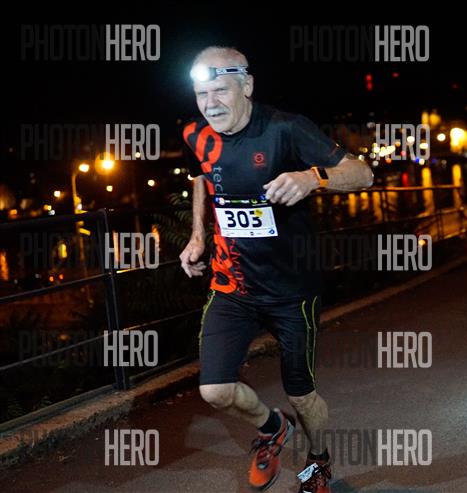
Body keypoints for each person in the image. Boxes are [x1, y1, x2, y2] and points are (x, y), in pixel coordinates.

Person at [179, 46, 373, 492]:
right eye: (201, 94)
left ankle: (318, 461)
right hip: (232, 285)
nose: (210, 104)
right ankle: (272, 429)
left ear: (246, 86)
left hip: (292, 291)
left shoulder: (285, 129)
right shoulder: (195, 133)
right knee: (215, 391)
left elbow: (363, 174)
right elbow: (200, 176)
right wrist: (198, 235)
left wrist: (312, 178)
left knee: (301, 395)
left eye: (220, 91)